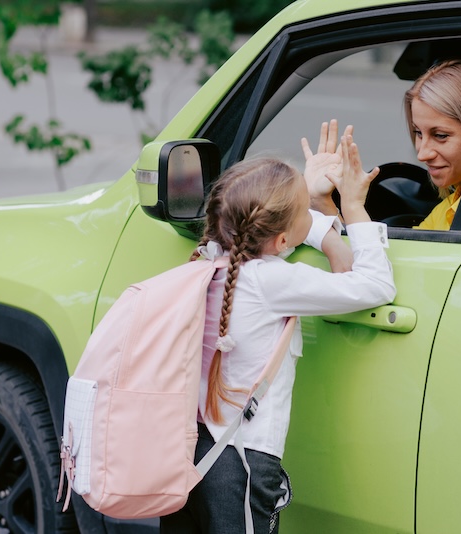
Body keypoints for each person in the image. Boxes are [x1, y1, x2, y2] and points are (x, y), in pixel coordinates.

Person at [160, 154, 396, 534]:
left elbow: (274, 240)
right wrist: (351, 209)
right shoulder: (271, 281)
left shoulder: (213, 259)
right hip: (241, 460)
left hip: (190, 448)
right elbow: (377, 285)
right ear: (282, 238)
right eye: (305, 210)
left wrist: (320, 220)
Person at [303, 59, 461, 231]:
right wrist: (321, 200)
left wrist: (352, 204)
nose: (422, 155)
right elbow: (372, 266)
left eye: (440, 135)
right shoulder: (449, 208)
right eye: (418, 133)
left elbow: (375, 270)